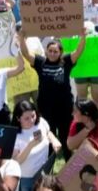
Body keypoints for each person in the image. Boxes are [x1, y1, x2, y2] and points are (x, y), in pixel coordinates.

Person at [20, 29, 85, 159]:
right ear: (46, 51)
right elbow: (26, 54)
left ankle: (69, 169)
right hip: (46, 108)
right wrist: (21, 38)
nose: (52, 54)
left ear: (60, 53)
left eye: (55, 51)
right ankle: (49, 170)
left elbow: (78, 52)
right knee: (49, 139)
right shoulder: (40, 62)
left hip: (64, 108)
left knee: (65, 137)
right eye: (50, 51)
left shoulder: (66, 62)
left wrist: (83, 36)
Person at [12, 100, 62, 191]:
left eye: (33, 116)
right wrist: (30, 146)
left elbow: (48, 132)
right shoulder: (15, 136)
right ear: (18, 118)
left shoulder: (41, 122)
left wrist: (54, 140)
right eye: (26, 118)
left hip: (44, 171)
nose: (31, 120)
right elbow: (16, 161)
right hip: (27, 178)